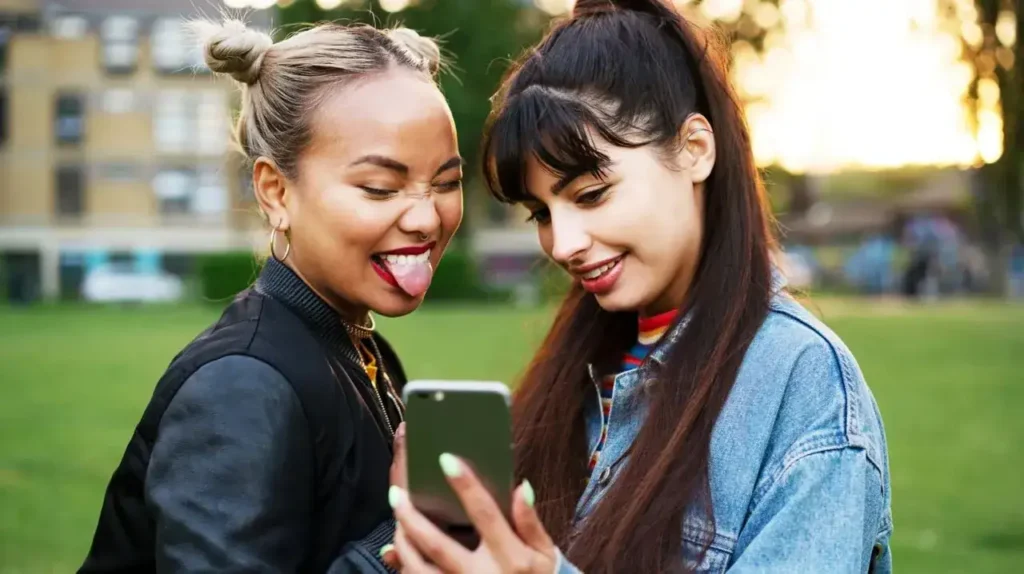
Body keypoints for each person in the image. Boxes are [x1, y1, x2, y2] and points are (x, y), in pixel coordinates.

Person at [384, 1, 892, 572]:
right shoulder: (585, 363)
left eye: (591, 195)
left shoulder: (801, 381)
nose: (563, 243)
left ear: (694, 150)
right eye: (541, 213)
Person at [79, 17, 463, 573]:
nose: (428, 216)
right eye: (381, 188)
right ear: (276, 191)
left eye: (447, 183)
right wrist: (405, 540)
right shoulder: (240, 386)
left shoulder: (360, 348)